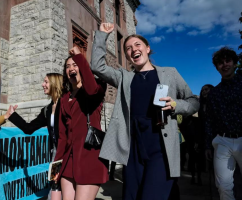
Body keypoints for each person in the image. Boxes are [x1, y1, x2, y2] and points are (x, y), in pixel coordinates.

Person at [91, 23, 199, 200]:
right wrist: (102, 35)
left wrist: (175, 105)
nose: (133, 49)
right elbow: (97, 66)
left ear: (147, 49)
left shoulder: (169, 73)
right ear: (127, 55)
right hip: (133, 147)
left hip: (160, 146)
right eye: (128, 48)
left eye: (137, 45)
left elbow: (194, 102)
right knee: (131, 196)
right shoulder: (125, 77)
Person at [53, 46, 108, 200]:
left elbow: (90, 89)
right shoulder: (63, 99)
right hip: (68, 161)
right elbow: (62, 137)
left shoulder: (96, 89)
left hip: (90, 158)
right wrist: (56, 167)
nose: (71, 68)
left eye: (75, 65)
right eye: (68, 66)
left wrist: (79, 56)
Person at [8, 73, 63, 200]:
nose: (42, 85)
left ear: (55, 84)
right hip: (55, 155)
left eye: (46, 82)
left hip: (69, 153)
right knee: (54, 185)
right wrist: (12, 115)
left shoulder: (66, 103)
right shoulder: (47, 110)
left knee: (67, 188)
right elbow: (29, 128)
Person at [205, 47, 242, 200]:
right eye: (220, 63)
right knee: (223, 186)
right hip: (223, 141)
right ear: (217, 67)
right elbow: (209, 120)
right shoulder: (214, 93)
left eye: (228, 61)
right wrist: (208, 145)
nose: (224, 64)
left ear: (235, 63)